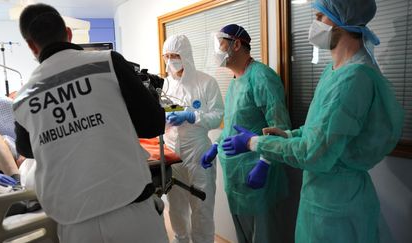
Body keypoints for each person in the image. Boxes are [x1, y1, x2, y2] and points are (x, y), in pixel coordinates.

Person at [221, 1, 404, 242]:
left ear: (341, 19)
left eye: (320, 16)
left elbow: (313, 152)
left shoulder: (353, 78)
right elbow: (319, 130)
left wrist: (254, 143)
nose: (314, 24)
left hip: (337, 207)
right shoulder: (335, 70)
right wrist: (288, 135)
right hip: (322, 197)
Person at [13, 4, 168, 242]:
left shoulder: (22, 96)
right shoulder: (108, 63)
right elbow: (153, 125)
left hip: (75, 224)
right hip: (131, 210)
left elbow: (26, 149)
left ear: (31, 45)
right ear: (68, 32)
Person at [201, 24, 291, 243]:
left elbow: (280, 126)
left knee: (265, 234)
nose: (217, 51)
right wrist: (216, 145)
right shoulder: (235, 82)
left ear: (237, 44)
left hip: (258, 172)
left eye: (220, 44)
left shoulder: (261, 77)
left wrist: (265, 163)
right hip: (236, 174)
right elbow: (235, 122)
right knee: (243, 234)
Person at [162, 34, 224, 243]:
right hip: (172, 151)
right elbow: (162, 111)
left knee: (201, 207)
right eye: (167, 56)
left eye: (175, 55)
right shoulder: (166, 84)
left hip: (198, 152)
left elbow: (217, 116)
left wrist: (192, 116)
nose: (171, 60)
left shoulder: (205, 82)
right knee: (176, 206)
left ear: (185, 55)